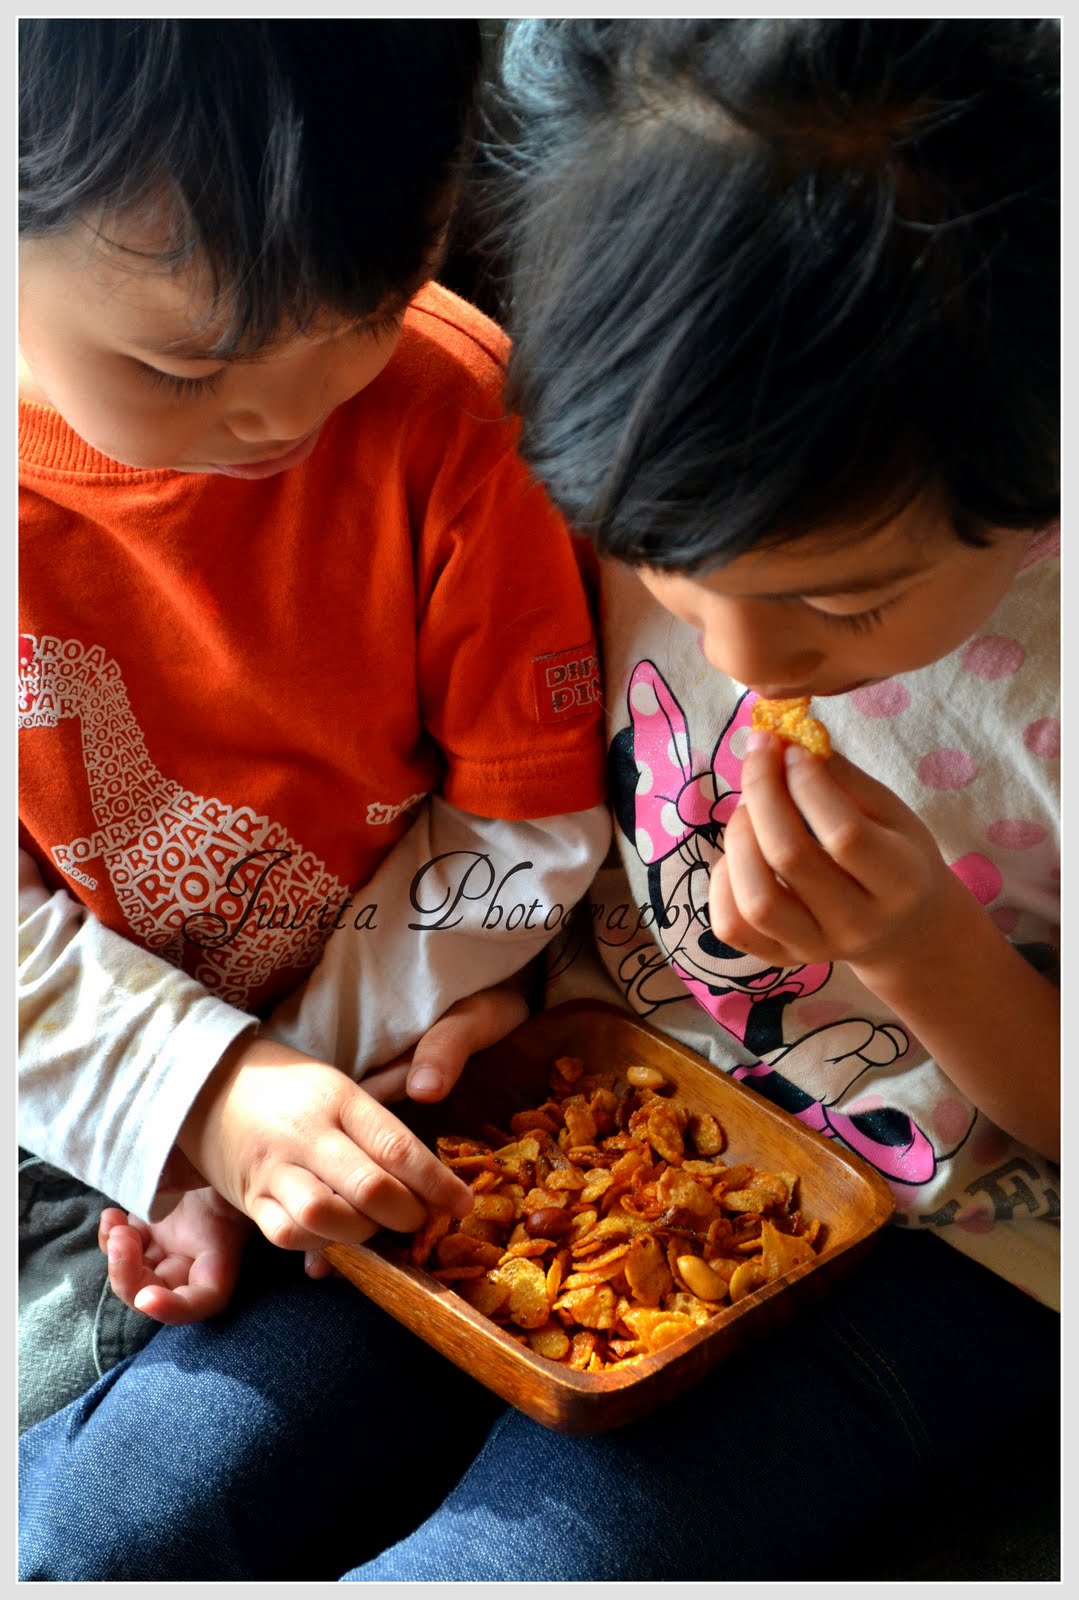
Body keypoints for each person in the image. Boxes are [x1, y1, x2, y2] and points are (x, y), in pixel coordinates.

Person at [20, 18, 1060, 1584]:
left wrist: (931, 955)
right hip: (567, 1095)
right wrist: (257, 1110)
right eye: (669, 575)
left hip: (961, 1241)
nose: (740, 650)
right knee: (115, 1524)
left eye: (846, 604)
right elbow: (536, 843)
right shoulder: (605, 451)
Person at [17, 15, 611, 1561]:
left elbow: (520, 828)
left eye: (367, 311)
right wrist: (194, 1105)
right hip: (77, 1069)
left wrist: (275, 1094)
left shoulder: (452, 429)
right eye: (182, 365)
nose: (286, 415)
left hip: (386, 1048)